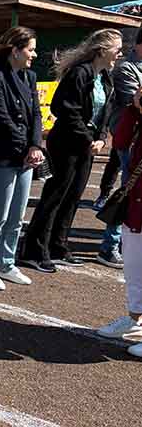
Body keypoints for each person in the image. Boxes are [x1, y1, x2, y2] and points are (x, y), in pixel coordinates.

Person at [19, 29, 123, 273]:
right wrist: (88, 138)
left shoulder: (105, 77)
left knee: (73, 196)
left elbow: (105, 112)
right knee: (55, 195)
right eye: (116, 48)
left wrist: (99, 137)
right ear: (102, 49)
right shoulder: (80, 73)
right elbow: (64, 109)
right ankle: (33, 249)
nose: (120, 53)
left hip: (86, 145)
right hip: (67, 143)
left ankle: (58, 246)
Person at [0, 26, 44, 291]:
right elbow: (0, 117)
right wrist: (26, 147)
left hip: (25, 157)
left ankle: (7, 263)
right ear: (15, 51)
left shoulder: (30, 77)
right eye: (30, 49)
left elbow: (37, 115)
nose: (34, 55)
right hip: (0, 157)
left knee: (17, 216)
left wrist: (35, 145)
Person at [97, 86, 142, 360]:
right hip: (135, 205)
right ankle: (134, 318)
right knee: (134, 269)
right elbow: (122, 141)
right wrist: (133, 109)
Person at [93, 27, 142, 269]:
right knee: (128, 191)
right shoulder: (126, 69)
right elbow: (136, 103)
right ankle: (109, 246)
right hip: (130, 142)